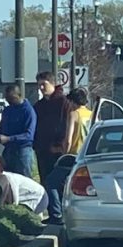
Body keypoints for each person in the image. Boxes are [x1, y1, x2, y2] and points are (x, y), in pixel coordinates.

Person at [44, 89, 92, 225]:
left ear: (72, 101)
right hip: (88, 156)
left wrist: (63, 153)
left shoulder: (74, 114)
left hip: (73, 156)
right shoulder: (92, 114)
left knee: (51, 182)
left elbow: (69, 139)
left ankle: (56, 214)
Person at [33, 71, 69, 182]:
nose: (42, 87)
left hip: (58, 150)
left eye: (44, 84)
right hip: (42, 151)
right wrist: (37, 145)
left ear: (53, 84)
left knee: (58, 183)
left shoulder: (63, 102)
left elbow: (67, 125)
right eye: (39, 85)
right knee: (45, 181)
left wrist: (60, 145)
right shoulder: (39, 105)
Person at [0, 85, 36, 178]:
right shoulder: (7, 110)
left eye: (11, 98)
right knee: (8, 180)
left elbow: (29, 135)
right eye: (7, 98)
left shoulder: (28, 111)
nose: (9, 101)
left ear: (18, 96)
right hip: (8, 151)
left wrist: (8, 139)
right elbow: (2, 128)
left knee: (24, 181)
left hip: (22, 152)